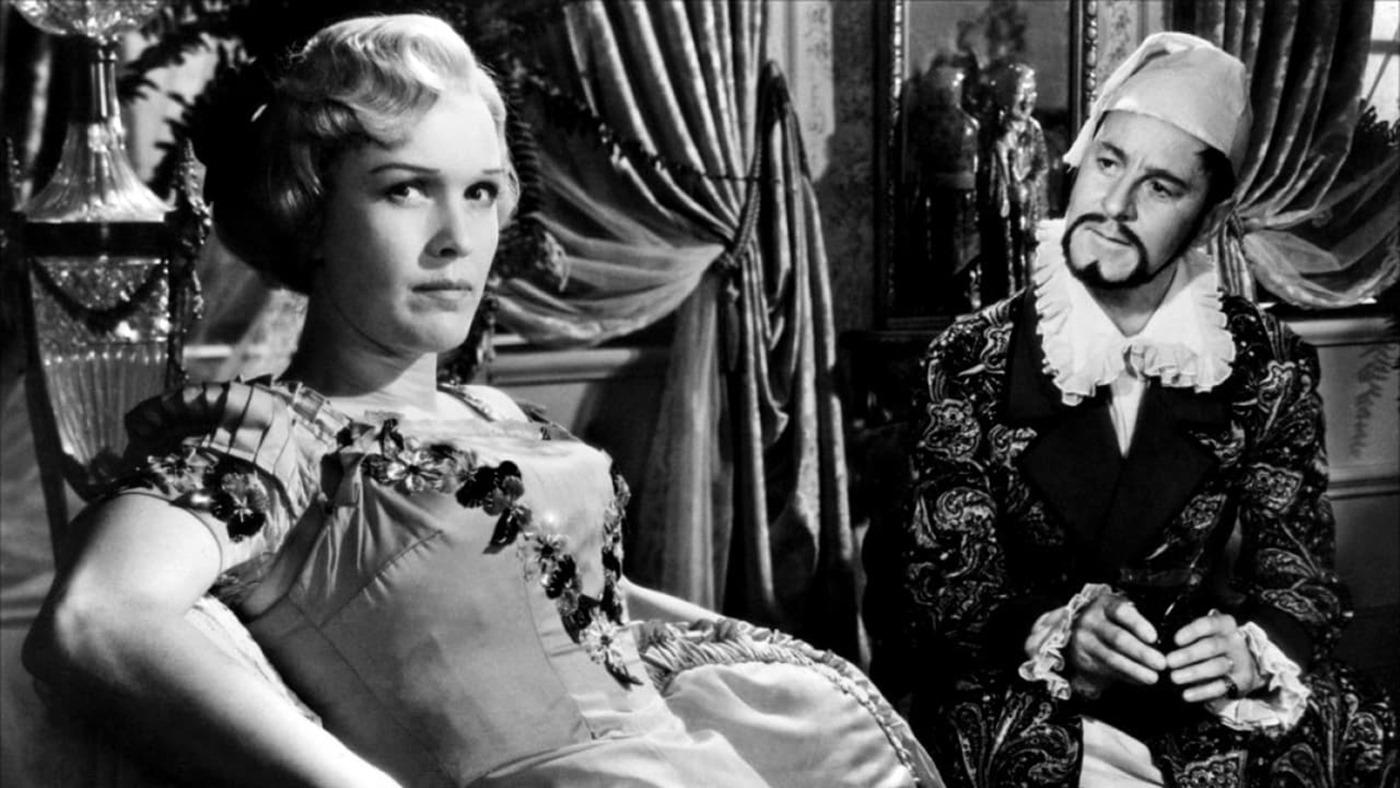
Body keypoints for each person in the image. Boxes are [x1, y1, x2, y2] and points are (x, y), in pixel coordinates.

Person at [22, 15, 938, 788]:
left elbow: (578, 609)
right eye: (406, 190)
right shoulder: (266, 442)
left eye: (482, 192)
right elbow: (94, 622)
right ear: (311, 211)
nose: (457, 238)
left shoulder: (499, 415)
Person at [862, 32, 1397, 787]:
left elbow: (1299, 573)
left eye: (1160, 187)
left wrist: (1252, 648)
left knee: (1358, 727)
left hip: (1188, 691)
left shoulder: (1266, 361)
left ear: (1208, 219)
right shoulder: (971, 355)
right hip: (1020, 682)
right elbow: (945, 582)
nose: (1114, 206)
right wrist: (1056, 630)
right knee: (1004, 750)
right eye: (1108, 164)